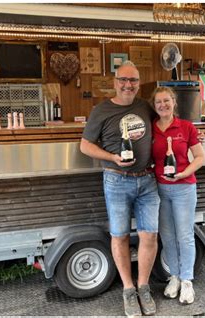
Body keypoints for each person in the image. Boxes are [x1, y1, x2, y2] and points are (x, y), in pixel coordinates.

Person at [80, 61, 160, 317]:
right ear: (115, 82)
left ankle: (144, 286)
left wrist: (194, 135)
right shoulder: (101, 110)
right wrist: (112, 157)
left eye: (133, 80)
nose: (128, 85)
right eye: (123, 80)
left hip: (147, 180)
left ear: (139, 83)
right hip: (116, 180)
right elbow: (85, 146)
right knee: (120, 236)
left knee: (149, 236)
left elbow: (167, 123)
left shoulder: (145, 107)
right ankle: (128, 289)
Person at [150, 86, 205, 305]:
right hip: (160, 189)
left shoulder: (186, 127)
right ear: (154, 107)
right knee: (167, 236)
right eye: (158, 102)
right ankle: (174, 276)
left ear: (174, 102)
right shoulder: (151, 128)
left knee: (184, 235)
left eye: (166, 100)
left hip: (184, 188)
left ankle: (187, 281)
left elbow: (200, 157)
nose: (163, 105)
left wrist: (183, 173)